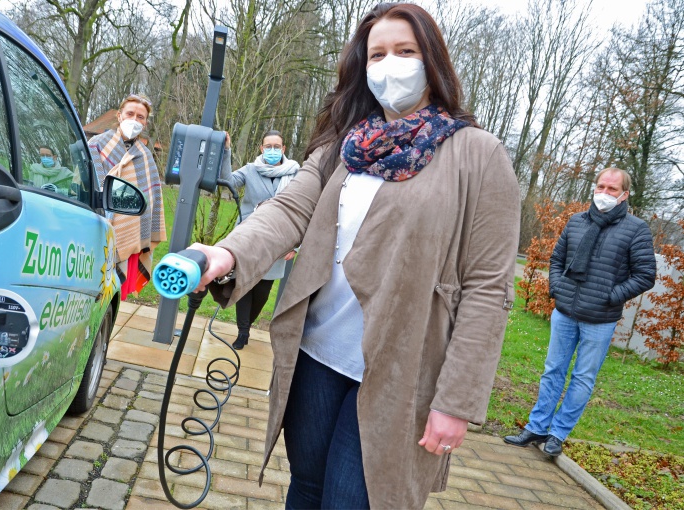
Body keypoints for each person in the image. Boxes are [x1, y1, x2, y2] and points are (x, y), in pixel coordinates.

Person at [188, 4, 521, 508]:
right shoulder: (345, 144)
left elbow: (489, 287)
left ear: (432, 62)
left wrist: (456, 400)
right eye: (377, 54)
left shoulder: (478, 155)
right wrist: (226, 253)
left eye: (405, 51)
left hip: (401, 372)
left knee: (354, 499)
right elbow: (288, 210)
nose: (390, 64)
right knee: (306, 488)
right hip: (317, 353)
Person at [504, 168, 656, 458]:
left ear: (625, 194)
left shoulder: (636, 229)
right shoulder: (577, 221)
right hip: (565, 311)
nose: (605, 193)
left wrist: (610, 296)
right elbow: (558, 259)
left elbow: (645, 275)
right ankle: (537, 426)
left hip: (600, 318)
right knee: (553, 371)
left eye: (612, 189)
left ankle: (557, 434)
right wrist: (557, 287)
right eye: (601, 186)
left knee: (583, 379)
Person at [219, 130, 299, 349]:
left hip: (278, 242)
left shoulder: (296, 173)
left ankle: (247, 324)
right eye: (268, 146)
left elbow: (303, 209)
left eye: (277, 146)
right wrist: (226, 151)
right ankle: (243, 332)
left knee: (262, 292)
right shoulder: (250, 170)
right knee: (244, 285)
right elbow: (228, 182)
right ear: (261, 148)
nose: (272, 150)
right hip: (248, 238)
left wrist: (296, 244)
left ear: (283, 149)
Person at [88, 94, 166, 298]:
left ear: (146, 122)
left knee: (113, 294)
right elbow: (87, 182)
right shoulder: (96, 144)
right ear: (119, 115)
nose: (135, 119)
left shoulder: (146, 156)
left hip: (129, 231)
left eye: (141, 117)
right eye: (130, 113)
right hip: (95, 224)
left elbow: (151, 200)